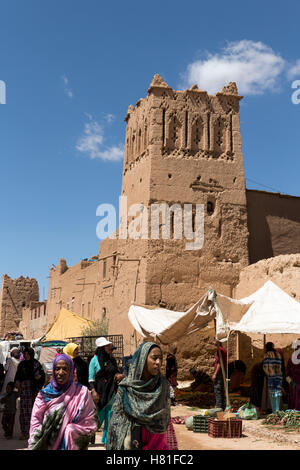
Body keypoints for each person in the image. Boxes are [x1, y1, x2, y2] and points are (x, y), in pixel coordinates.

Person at [106, 341, 174, 450]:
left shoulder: (163, 386)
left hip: (157, 442)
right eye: (154, 358)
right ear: (143, 359)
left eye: (161, 358)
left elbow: (165, 419)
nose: (158, 362)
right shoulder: (127, 388)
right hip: (132, 442)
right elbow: (116, 423)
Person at [28, 353, 97, 450]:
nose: (60, 372)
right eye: (57, 369)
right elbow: (36, 420)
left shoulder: (82, 392)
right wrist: (35, 441)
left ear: (71, 371)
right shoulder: (44, 395)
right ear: (53, 371)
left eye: (65, 369)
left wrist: (72, 431)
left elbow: (91, 420)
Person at [89, 337, 124, 446]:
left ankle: (106, 441)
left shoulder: (112, 360)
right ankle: (90, 435)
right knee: (98, 417)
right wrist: (93, 391)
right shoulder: (94, 360)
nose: (109, 347)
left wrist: (120, 375)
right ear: (101, 348)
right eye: (107, 346)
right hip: (99, 394)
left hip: (111, 392)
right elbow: (91, 379)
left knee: (110, 417)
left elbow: (116, 372)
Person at [14, 347, 45, 440]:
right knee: (24, 412)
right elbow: (17, 376)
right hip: (24, 391)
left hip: (33, 391)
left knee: (34, 411)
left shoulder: (36, 364)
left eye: (28, 353)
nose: (26, 355)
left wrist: (39, 378)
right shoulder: (21, 365)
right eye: (25, 353)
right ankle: (25, 433)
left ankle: (34, 432)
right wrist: (17, 382)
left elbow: (42, 375)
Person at [262, 342, 283, 413]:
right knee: (278, 392)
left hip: (271, 376)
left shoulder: (267, 355)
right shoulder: (278, 354)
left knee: (272, 393)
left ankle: (273, 410)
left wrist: (267, 374)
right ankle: (278, 409)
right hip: (279, 376)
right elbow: (281, 365)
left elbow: (265, 367)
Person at [212, 339, 227, 411]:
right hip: (220, 373)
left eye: (214, 340)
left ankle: (219, 409)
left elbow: (219, 363)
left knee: (218, 390)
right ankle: (222, 408)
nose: (212, 342)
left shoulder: (220, 350)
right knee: (220, 391)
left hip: (219, 373)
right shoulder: (221, 350)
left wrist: (215, 374)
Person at [286, 342, 300, 410]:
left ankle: (294, 413)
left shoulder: (291, 359)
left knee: (293, 398)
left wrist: (291, 384)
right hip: (296, 382)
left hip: (293, 383)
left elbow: (287, 373)